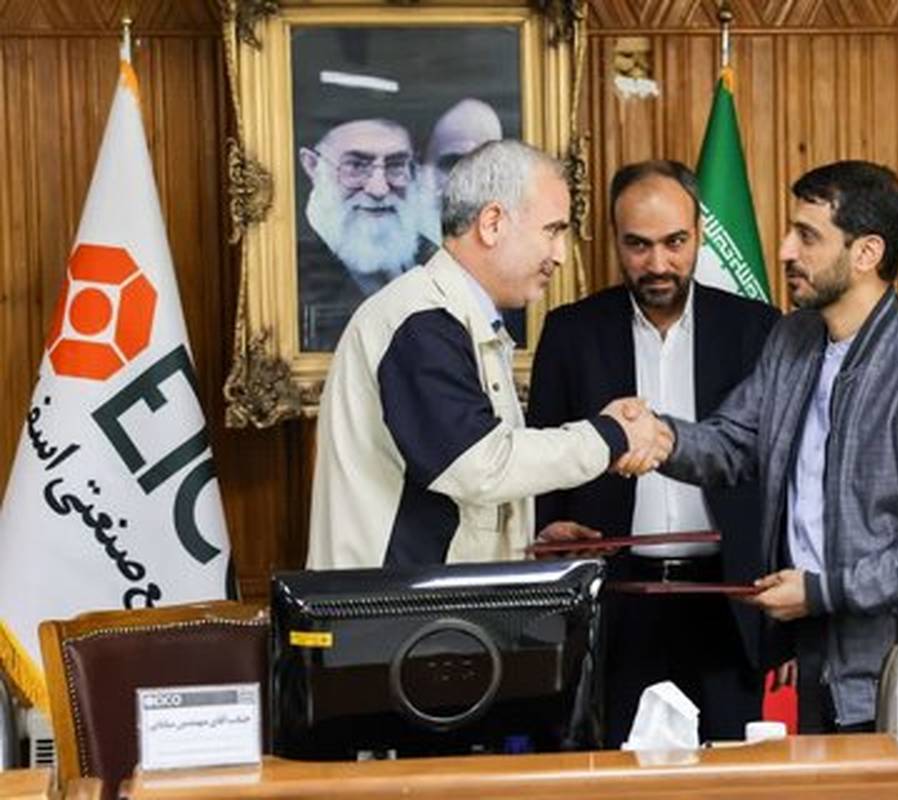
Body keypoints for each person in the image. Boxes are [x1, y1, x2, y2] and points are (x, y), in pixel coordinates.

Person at [653, 160, 898, 732]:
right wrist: (656, 437)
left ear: (866, 253)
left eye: (807, 236)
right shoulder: (792, 339)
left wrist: (825, 591)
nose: (785, 250)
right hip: (812, 657)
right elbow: (734, 442)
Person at [307, 140, 670, 570]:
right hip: (395, 609)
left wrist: (525, 542)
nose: (559, 255)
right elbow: (479, 465)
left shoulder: (452, 317)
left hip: (420, 605)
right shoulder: (420, 322)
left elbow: (450, 487)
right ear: (492, 223)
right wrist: (610, 435)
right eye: (552, 231)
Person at [527, 160, 779, 746]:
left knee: (731, 776)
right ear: (613, 239)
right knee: (618, 771)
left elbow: (781, 473)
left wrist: (783, 630)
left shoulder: (758, 330)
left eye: (675, 242)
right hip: (616, 604)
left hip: (727, 602)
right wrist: (547, 532)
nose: (658, 263)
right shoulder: (570, 333)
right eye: (638, 245)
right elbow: (540, 462)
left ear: (700, 235)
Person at [297, 117, 439, 351]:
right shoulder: (289, 273)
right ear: (312, 166)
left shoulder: (435, 261)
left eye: (396, 165)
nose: (379, 189)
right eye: (355, 166)